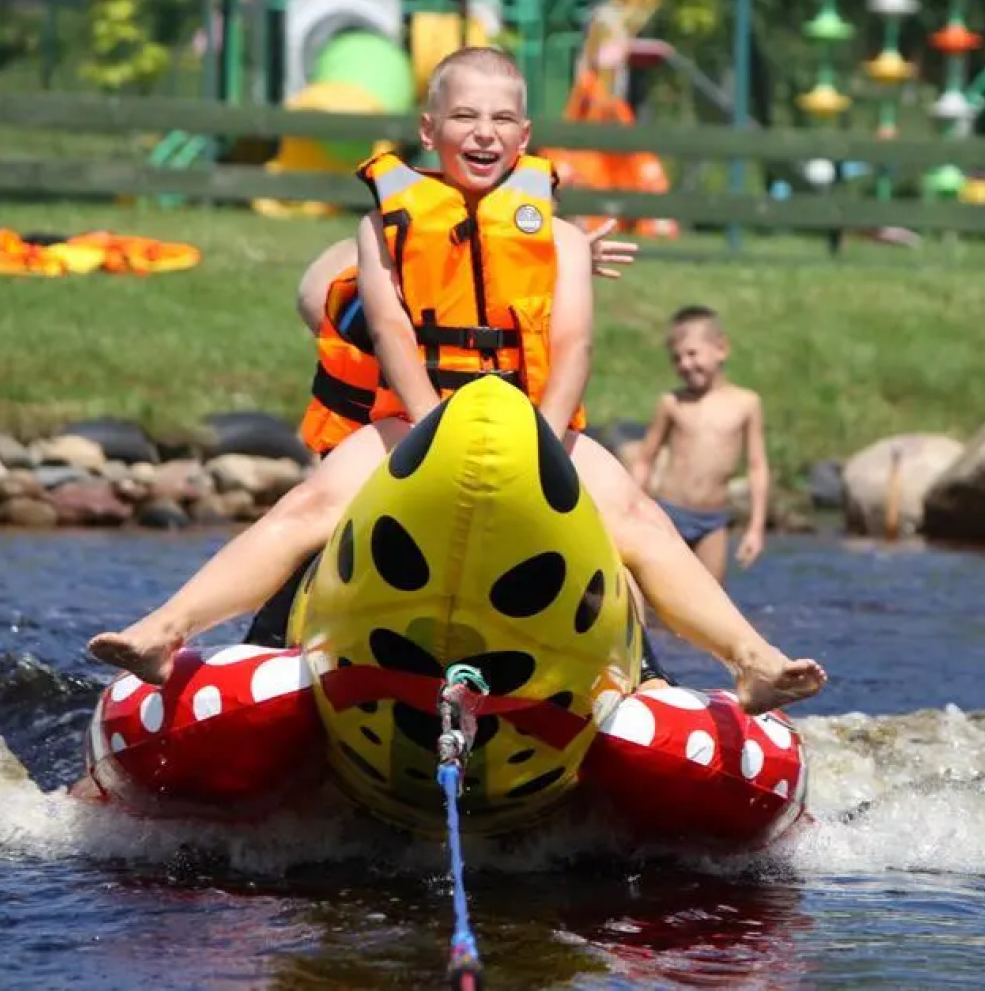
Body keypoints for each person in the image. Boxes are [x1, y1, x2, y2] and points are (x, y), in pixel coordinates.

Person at [87, 47, 824, 716]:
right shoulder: (382, 229)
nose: (483, 132)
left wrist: (542, 441)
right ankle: (165, 631)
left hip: (535, 425)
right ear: (430, 128)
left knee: (637, 520)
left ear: (526, 136)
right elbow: (394, 332)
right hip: (417, 420)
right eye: (465, 115)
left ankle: (752, 662)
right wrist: (431, 427)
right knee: (308, 506)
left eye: (502, 118)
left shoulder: (561, 239)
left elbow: (573, 347)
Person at [630, 305, 769, 583]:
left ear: (721, 349)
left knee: (708, 600)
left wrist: (755, 528)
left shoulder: (746, 403)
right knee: (660, 595)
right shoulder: (672, 403)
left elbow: (757, 467)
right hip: (669, 514)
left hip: (713, 521)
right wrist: (634, 507)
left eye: (692, 354)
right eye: (676, 358)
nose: (685, 364)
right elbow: (646, 458)